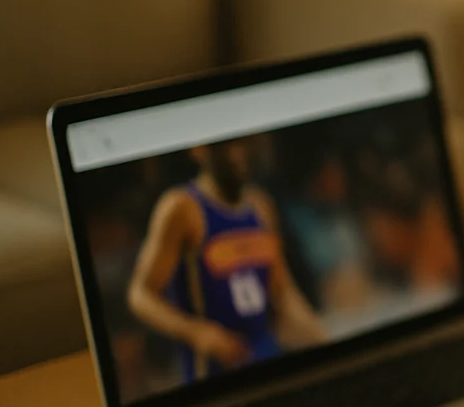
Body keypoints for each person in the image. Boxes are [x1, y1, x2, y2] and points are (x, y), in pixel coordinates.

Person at [128, 139, 328, 383]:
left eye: (239, 144)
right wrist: (197, 332)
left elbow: (283, 293)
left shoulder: (260, 205)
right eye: (224, 146)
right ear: (199, 150)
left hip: (264, 354)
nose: (235, 154)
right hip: (213, 370)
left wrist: (325, 342)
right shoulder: (182, 207)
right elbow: (140, 295)